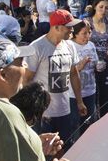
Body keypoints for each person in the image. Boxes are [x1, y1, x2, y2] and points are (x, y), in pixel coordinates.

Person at [25, 10, 87, 150]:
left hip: (65, 110)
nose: (72, 30)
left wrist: (79, 101)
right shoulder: (37, 47)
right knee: (43, 151)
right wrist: (31, 110)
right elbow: (26, 79)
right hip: (43, 114)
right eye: (68, 27)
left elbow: (74, 74)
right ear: (56, 27)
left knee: (65, 149)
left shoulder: (69, 45)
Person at [68, 20, 97, 139]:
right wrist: (82, 63)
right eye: (84, 33)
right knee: (74, 124)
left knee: (88, 123)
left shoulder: (91, 45)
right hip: (73, 94)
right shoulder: (69, 46)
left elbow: (95, 63)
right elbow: (71, 71)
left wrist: (99, 66)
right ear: (75, 33)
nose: (87, 36)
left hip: (90, 90)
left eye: (89, 32)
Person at [88, 0, 108, 117]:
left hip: (107, 66)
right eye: (101, 7)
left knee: (105, 100)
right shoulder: (86, 22)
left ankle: (104, 124)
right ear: (95, 6)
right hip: (90, 67)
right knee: (91, 99)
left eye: (107, 8)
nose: (103, 10)